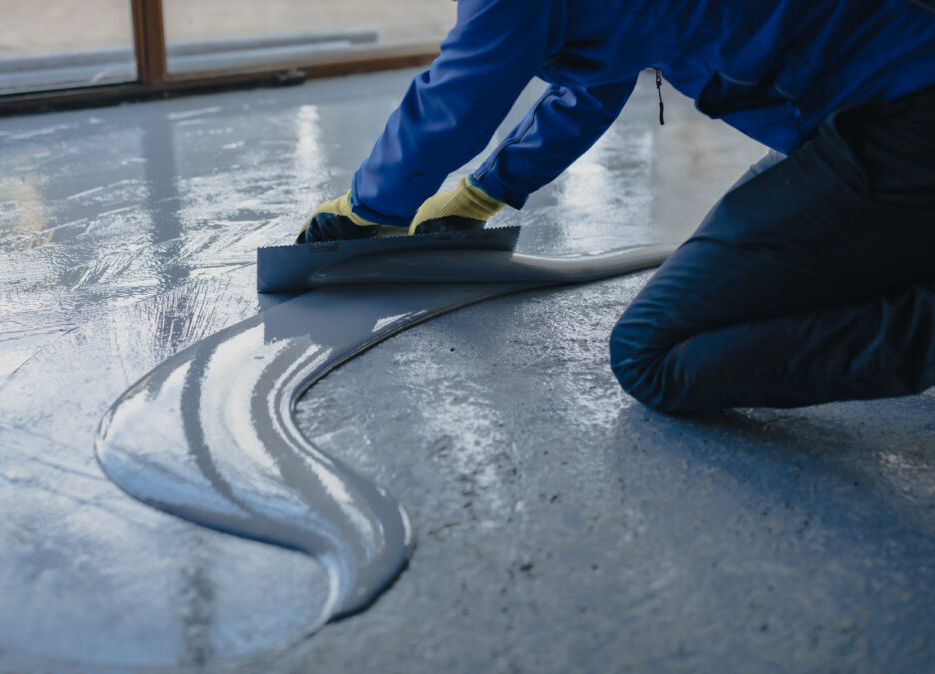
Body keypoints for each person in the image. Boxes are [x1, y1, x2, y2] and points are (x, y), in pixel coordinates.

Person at [297, 0, 935, 414]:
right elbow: (593, 86)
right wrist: (483, 191)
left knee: (650, 355)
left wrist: (366, 209)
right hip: (876, 111)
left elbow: (458, 96)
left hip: (901, 121)